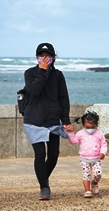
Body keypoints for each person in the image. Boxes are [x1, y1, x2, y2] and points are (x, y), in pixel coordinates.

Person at [21, 43, 73, 200]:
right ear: (37, 57)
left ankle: (43, 178)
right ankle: (44, 187)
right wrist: (42, 71)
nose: (44, 58)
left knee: (53, 155)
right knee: (40, 153)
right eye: (41, 55)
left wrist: (66, 121)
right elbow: (34, 91)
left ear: (53, 58)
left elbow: (64, 98)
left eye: (48, 55)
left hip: (52, 121)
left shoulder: (58, 75)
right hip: (34, 120)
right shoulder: (30, 73)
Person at [67, 110, 107, 198]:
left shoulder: (99, 133)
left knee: (98, 174)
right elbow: (73, 141)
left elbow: (103, 144)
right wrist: (70, 133)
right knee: (86, 175)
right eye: (87, 127)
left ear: (96, 125)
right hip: (84, 159)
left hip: (96, 158)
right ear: (83, 125)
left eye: (92, 127)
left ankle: (94, 183)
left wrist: (102, 153)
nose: (90, 129)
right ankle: (87, 191)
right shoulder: (80, 133)